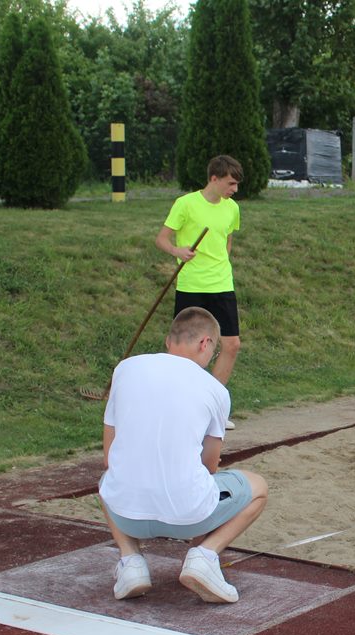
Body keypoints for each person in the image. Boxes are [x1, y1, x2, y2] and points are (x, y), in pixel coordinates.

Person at [99, 307, 269, 603]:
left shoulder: (125, 369)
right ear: (205, 343)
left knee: (109, 476)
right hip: (189, 517)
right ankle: (205, 555)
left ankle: (130, 560)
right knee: (258, 488)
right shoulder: (215, 389)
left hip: (126, 515)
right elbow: (210, 465)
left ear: (169, 340)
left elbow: (109, 454)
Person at [155, 154, 244, 426]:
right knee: (183, 349)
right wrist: (177, 251)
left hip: (222, 284)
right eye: (230, 183)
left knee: (231, 344)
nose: (235, 189)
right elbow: (161, 239)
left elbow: (227, 242)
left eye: (236, 184)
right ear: (214, 179)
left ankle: (212, 408)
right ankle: (177, 407)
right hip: (192, 285)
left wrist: (220, 265)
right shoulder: (186, 204)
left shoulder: (232, 208)